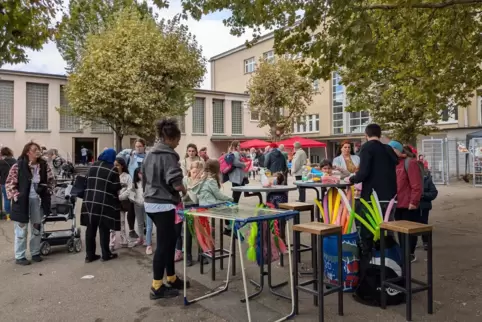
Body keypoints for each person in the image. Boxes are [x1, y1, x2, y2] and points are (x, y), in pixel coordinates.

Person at [142, 118, 189, 299]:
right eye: (178, 140)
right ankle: (157, 286)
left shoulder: (149, 153)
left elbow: (143, 177)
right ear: (170, 138)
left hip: (150, 202)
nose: (178, 143)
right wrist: (184, 191)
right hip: (163, 203)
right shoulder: (168, 154)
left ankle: (172, 277)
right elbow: (175, 181)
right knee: (163, 245)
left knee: (169, 242)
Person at [6, 142, 55, 265]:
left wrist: (47, 190)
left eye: (38, 149)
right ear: (28, 152)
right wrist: (16, 196)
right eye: (35, 149)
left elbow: (51, 181)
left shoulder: (44, 166)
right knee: (21, 229)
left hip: (37, 201)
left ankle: (35, 252)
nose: (38, 151)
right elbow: (9, 184)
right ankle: (20, 256)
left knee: (37, 228)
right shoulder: (18, 166)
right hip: (22, 202)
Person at [81, 148, 121, 263]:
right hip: (104, 202)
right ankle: (105, 254)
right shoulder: (112, 169)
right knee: (104, 229)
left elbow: (86, 181)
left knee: (90, 229)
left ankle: (89, 255)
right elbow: (115, 187)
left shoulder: (93, 166)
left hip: (89, 201)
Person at [388, 141, 423, 262]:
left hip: (408, 204)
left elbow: (416, 185)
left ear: (397, 150)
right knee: (400, 231)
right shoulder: (392, 164)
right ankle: (403, 253)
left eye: (391, 149)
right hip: (396, 203)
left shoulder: (410, 163)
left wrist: (414, 201)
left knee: (409, 231)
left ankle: (410, 254)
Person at [349, 124, 398, 202]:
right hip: (390, 193)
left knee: (371, 214)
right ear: (380, 134)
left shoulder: (366, 147)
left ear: (366, 134)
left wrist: (351, 179)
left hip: (373, 194)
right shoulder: (388, 148)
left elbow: (363, 172)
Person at [117, 138, 147, 243]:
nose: (138, 148)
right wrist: (128, 151)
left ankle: (144, 228)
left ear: (144, 146)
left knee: (144, 207)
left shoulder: (147, 157)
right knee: (132, 208)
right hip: (131, 184)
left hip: (143, 184)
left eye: (140, 146)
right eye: (136, 146)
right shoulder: (130, 156)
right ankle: (131, 230)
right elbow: (119, 156)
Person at [181, 161, 206, 266]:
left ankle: (202, 255)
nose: (195, 174)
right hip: (188, 208)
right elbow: (183, 195)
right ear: (189, 171)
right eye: (194, 171)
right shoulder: (186, 180)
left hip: (199, 207)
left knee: (199, 232)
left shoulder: (202, 181)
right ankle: (188, 256)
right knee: (188, 233)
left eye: (198, 172)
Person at [109, 157, 132, 250]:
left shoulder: (127, 176)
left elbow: (130, 189)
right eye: (114, 165)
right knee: (112, 224)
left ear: (122, 166)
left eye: (117, 165)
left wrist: (120, 197)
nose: (115, 167)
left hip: (121, 202)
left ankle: (124, 240)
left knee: (122, 221)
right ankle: (112, 243)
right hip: (112, 202)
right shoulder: (111, 175)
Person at [131, 167, 152, 255]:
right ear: (136, 174)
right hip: (137, 204)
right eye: (140, 173)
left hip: (147, 204)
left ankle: (148, 241)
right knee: (139, 222)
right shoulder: (134, 183)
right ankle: (141, 238)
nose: (141, 175)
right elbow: (131, 193)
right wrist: (133, 200)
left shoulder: (148, 183)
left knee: (148, 223)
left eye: (143, 173)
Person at [418, 167, 438, 251]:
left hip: (423, 206)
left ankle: (426, 242)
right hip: (412, 207)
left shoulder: (427, 180)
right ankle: (412, 244)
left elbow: (434, 193)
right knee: (411, 224)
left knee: (424, 224)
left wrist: (423, 195)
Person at [0, 147, 16, 218]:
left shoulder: (1, 162)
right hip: (14, 182)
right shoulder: (14, 161)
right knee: (14, 198)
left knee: (7, 199)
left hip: (4, 183)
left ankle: (8, 216)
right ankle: (14, 214)